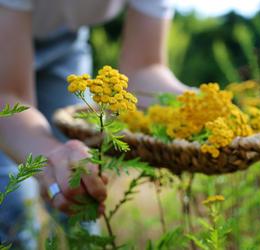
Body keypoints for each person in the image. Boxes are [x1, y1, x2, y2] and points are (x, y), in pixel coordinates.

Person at [0, 0, 189, 248]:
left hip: (65, 42)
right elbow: (8, 98)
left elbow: (145, 68)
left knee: (81, 200)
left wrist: (200, 104)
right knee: (12, 207)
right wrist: (50, 156)